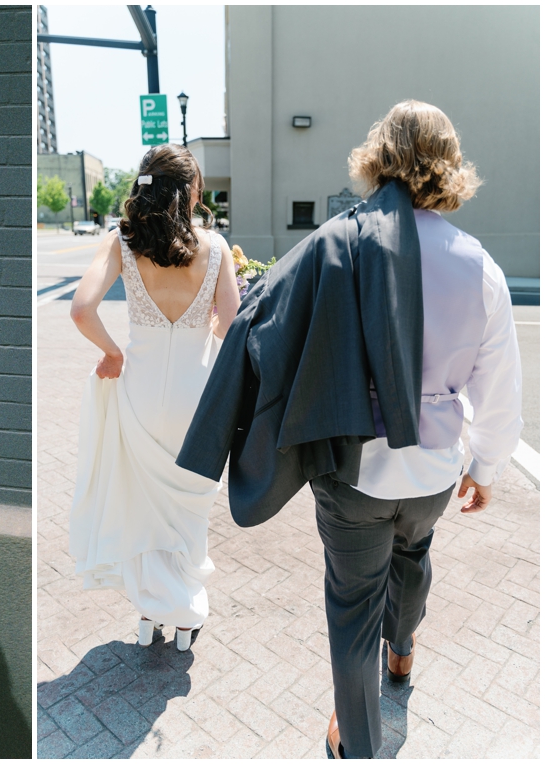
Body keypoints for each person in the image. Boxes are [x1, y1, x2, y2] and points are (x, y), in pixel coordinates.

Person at [178, 101, 522, 758]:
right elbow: (500, 391)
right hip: (433, 468)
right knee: (414, 558)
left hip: (351, 466)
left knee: (351, 603)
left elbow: (270, 321)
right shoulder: (480, 267)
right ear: (447, 165)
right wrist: (486, 468)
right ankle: (404, 649)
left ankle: (357, 738)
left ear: (380, 159)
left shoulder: (339, 243)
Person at [68, 144, 240, 652]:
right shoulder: (217, 247)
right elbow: (232, 330)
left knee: (142, 504)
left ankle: (149, 615)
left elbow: (81, 309)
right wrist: (208, 324)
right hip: (196, 395)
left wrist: (113, 354)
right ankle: (185, 617)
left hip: (139, 393)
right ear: (191, 192)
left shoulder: (122, 242)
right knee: (187, 509)